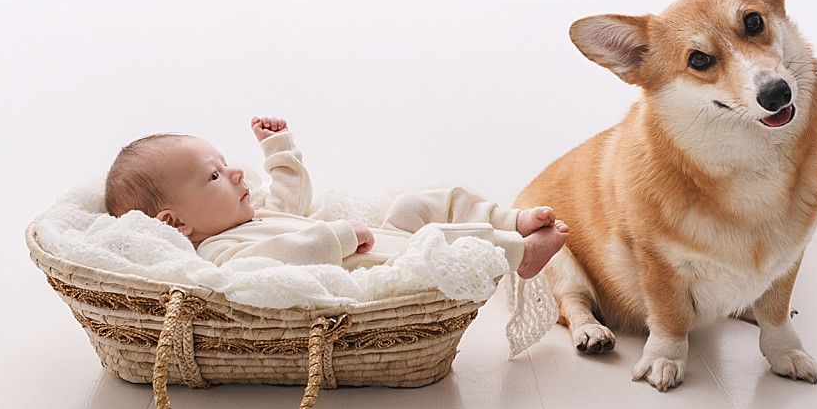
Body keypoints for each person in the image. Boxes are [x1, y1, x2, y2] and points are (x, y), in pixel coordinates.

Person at [104, 116, 568, 278]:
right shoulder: (219, 252)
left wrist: (279, 150)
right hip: (377, 262)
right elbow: (276, 260)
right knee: (438, 243)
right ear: (175, 223)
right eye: (214, 176)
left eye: (225, 162)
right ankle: (517, 254)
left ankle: (508, 219)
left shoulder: (254, 212)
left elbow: (294, 195)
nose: (234, 172)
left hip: (381, 237)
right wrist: (335, 238)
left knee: (418, 205)